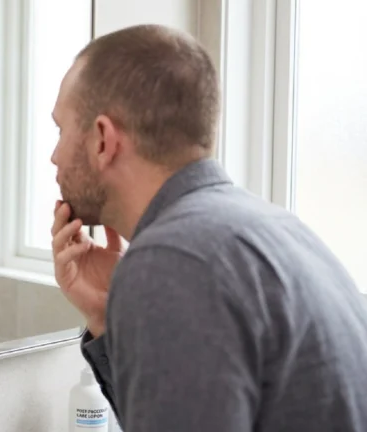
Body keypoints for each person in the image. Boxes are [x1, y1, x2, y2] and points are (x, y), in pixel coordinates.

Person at [49, 24, 367, 431]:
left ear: (102, 139)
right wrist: (108, 319)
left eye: (61, 129)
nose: (54, 156)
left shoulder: (174, 262)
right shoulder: (274, 229)